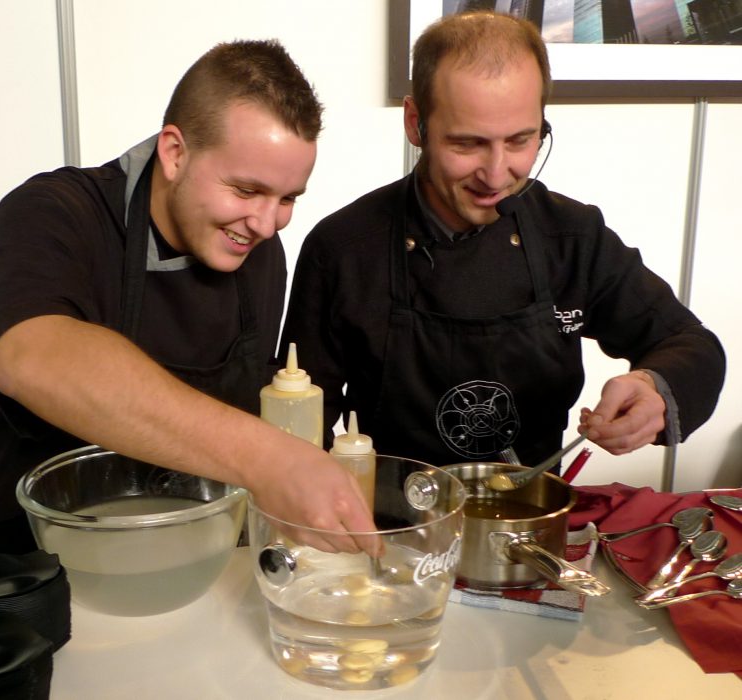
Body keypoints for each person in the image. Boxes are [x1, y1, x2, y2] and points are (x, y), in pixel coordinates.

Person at [0, 39, 375, 556]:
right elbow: (31, 356)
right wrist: (266, 456)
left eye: (288, 198)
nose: (266, 223)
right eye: (246, 190)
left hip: (190, 558)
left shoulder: (257, 249)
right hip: (40, 563)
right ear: (175, 153)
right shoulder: (53, 212)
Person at [280, 12, 725, 471]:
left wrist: (654, 388)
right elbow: (298, 426)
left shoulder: (572, 237)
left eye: (520, 141)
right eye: (467, 144)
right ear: (416, 123)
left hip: (532, 510)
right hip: (391, 510)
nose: (496, 176)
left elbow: (690, 343)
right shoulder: (344, 249)